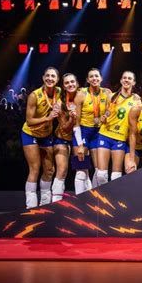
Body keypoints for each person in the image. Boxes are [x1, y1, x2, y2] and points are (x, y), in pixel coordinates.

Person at [21, 67, 61, 208]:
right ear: (43, 78)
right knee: (35, 168)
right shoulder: (34, 95)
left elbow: (64, 101)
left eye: (53, 76)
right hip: (30, 134)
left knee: (49, 170)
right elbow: (29, 120)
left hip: (46, 135)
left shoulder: (58, 92)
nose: (50, 78)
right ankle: (31, 206)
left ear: (57, 79)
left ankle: (45, 204)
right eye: (48, 76)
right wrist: (48, 118)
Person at [97, 71, 140, 184]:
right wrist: (103, 118)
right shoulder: (111, 96)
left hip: (120, 138)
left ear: (133, 82)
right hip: (105, 135)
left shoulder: (136, 100)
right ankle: (102, 199)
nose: (126, 80)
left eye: (129, 78)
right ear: (121, 80)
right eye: (124, 78)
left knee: (116, 176)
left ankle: (113, 200)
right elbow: (105, 114)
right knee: (101, 175)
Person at [73, 68, 112, 194]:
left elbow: (112, 108)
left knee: (98, 169)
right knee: (81, 170)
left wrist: (105, 115)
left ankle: (96, 198)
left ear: (101, 78)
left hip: (98, 132)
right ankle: (80, 200)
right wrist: (79, 144)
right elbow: (76, 122)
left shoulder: (107, 93)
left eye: (97, 76)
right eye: (91, 76)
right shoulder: (81, 94)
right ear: (87, 80)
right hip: (83, 132)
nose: (94, 78)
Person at [52, 73, 79, 202]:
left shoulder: (84, 96)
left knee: (82, 170)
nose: (70, 84)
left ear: (77, 83)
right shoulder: (59, 103)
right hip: (62, 138)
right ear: (63, 86)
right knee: (62, 170)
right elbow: (65, 128)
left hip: (79, 139)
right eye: (67, 83)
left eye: (72, 82)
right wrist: (73, 119)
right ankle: (55, 203)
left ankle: (84, 202)